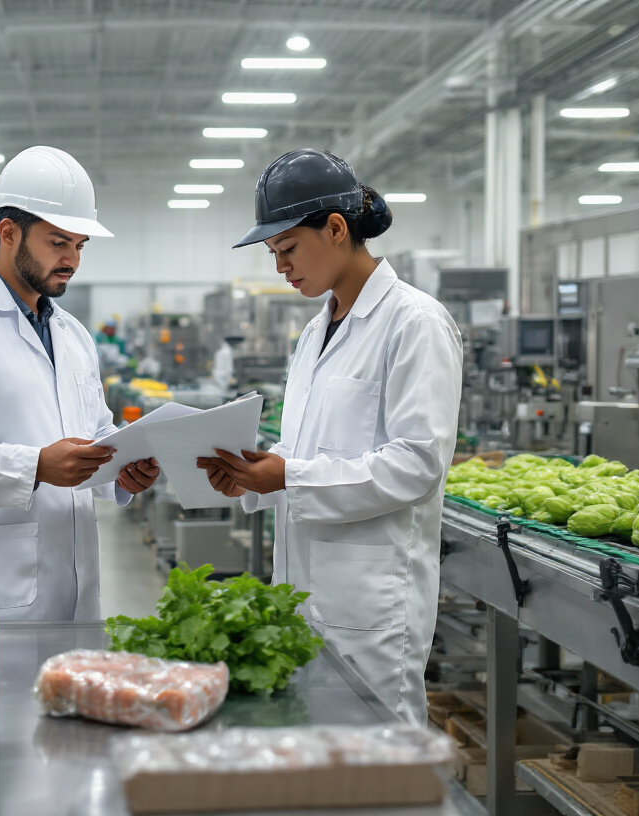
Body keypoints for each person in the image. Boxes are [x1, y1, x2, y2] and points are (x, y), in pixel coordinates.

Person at [197, 149, 463, 725]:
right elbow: (304, 450)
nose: (280, 268)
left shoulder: (414, 323)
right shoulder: (315, 332)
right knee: (313, 750)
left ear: (337, 229)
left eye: (288, 249)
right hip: (303, 595)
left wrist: (288, 477)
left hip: (370, 605)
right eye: (273, 254)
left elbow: (418, 464)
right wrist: (255, 475)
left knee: (375, 756)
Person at [0, 146, 160, 621]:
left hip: (78, 584)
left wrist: (122, 470)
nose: (72, 259)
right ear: (8, 232)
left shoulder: (73, 335)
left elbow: (96, 433)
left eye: (80, 245)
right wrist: (35, 466)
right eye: (58, 242)